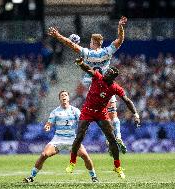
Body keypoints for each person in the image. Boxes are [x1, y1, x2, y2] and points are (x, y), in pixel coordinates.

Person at [48, 16, 128, 154]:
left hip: (95, 91)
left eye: (91, 41)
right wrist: (120, 26)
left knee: (100, 118)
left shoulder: (88, 53)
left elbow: (70, 44)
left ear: (93, 42)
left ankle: (108, 140)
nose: (90, 43)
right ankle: (118, 137)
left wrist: (58, 35)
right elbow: (120, 40)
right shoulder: (107, 52)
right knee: (113, 115)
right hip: (108, 88)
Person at [65, 58, 140, 179]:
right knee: (79, 137)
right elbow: (88, 69)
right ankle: (72, 162)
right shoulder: (98, 77)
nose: (106, 73)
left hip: (101, 113)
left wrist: (135, 114)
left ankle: (117, 166)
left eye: (109, 73)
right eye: (107, 71)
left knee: (112, 139)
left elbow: (127, 100)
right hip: (87, 111)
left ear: (113, 77)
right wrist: (80, 63)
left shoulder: (115, 88)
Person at [23, 90, 99, 183]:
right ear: (60, 99)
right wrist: (47, 126)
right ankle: (31, 177)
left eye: (66, 95)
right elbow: (49, 123)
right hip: (58, 139)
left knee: (85, 156)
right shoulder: (55, 112)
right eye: (62, 95)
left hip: (72, 140)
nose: (64, 96)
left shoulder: (75, 110)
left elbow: (82, 121)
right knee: (44, 155)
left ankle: (94, 177)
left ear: (68, 98)